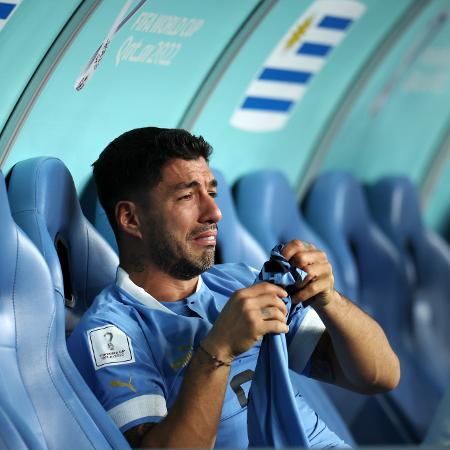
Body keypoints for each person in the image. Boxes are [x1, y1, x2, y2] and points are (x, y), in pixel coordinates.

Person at [67, 127, 400, 449]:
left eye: (211, 193)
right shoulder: (111, 334)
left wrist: (329, 299)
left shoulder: (238, 281)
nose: (214, 212)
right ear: (131, 219)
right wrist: (219, 350)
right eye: (187, 195)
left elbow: (380, 377)